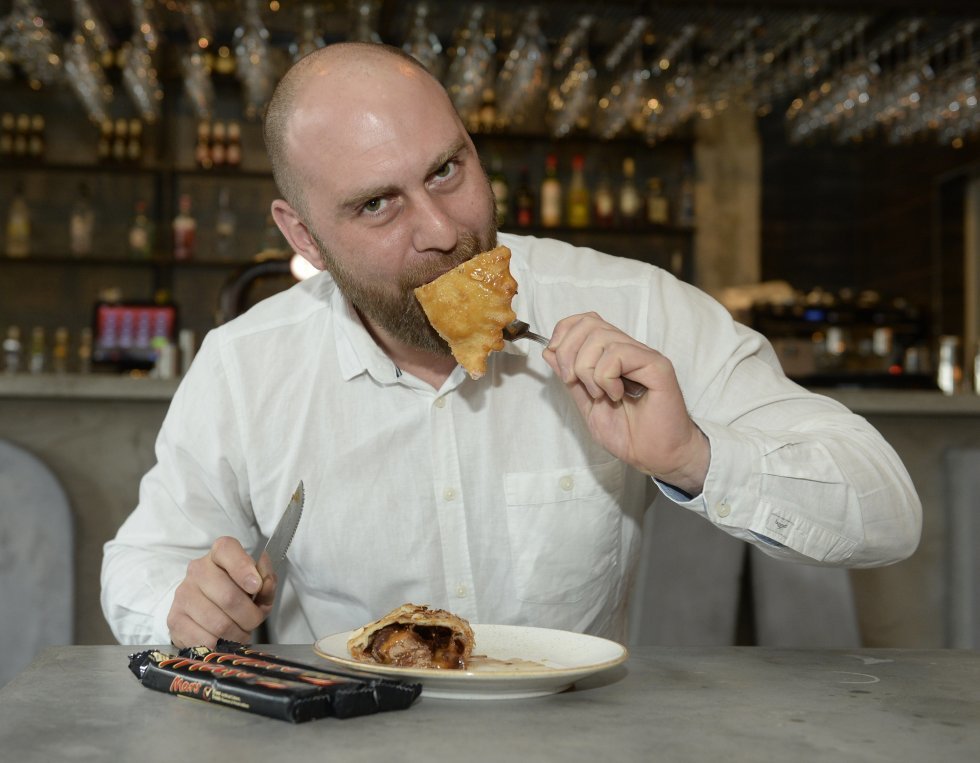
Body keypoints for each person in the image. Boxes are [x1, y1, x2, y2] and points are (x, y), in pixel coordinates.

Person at [101, 42, 921, 648]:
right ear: (304, 236)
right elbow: (140, 563)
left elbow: (890, 510)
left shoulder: (630, 305)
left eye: (449, 170)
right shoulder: (247, 366)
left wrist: (696, 458)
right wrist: (182, 603)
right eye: (378, 205)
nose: (442, 230)